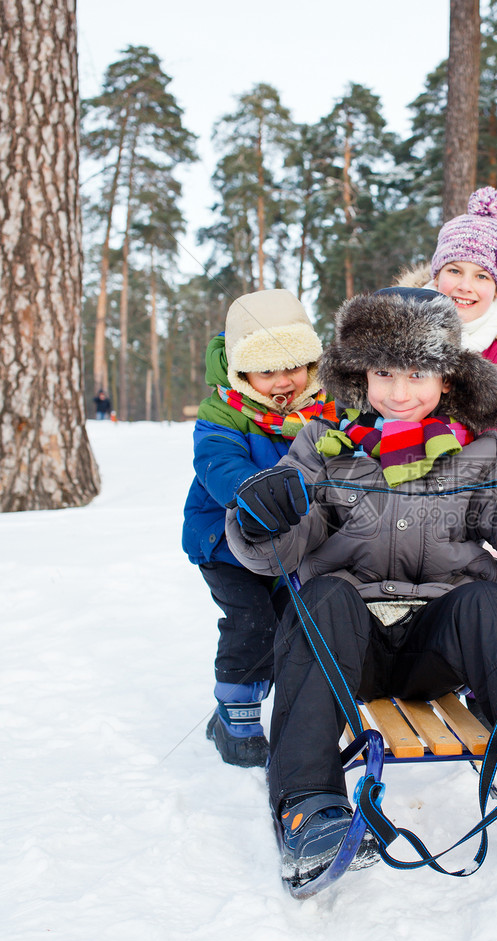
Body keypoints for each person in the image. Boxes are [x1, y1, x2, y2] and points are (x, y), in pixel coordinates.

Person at [225, 287, 497, 887]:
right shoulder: (325, 446)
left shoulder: (485, 450)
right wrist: (263, 518)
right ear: (360, 374)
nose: (399, 392)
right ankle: (310, 808)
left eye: (417, 372)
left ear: (448, 376)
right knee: (321, 596)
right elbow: (283, 544)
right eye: (383, 372)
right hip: (346, 646)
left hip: (440, 645)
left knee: (488, 603)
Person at [182, 288, 336, 768]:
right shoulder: (223, 413)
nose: (282, 381)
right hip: (228, 542)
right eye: (267, 370)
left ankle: (265, 705)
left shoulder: (328, 409)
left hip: (294, 543)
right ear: (242, 371)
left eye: (292, 366)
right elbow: (217, 463)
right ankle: (237, 720)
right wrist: (255, 489)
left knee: (297, 625)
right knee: (253, 624)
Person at [395, 186, 497, 471]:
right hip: (405, 473)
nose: (465, 286)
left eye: (482, 276)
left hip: (492, 479)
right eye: (454, 270)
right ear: (436, 276)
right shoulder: (395, 330)